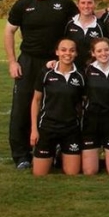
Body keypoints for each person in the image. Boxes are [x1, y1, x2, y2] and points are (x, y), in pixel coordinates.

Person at [4, 0, 78, 169]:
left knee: (55, 106)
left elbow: (86, 16)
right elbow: (9, 32)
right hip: (28, 61)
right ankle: (21, 155)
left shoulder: (63, 4)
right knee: (22, 106)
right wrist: (12, 61)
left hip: (55, 62)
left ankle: (51, 151)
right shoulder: (23, 5)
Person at [29, 37, 85, 177]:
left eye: (72, 50)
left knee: (72, 173)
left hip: (70, 128)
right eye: (63, 50)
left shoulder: (80, 76)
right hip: (48, 127)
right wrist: (34, 130)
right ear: (57, 52)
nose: (68, 53)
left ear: (76, 53)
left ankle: (60, 154)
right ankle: (52, 153)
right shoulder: (46, 73)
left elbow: (84, 102)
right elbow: (36, 101)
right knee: (39, 174)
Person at [82, 37, 109, 176]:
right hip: (91, 119)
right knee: (90, 171)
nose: (103, 53)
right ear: (93, 53)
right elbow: (82, 93)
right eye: (99, 51)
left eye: (106, 50)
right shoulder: (87, 70)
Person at [63, 0, 104, 68]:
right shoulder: (69, 24)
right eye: (83, 3)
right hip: (73, 69)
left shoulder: (100, 26)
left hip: (94, 70)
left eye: (89, 3)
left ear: (94, 4)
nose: (86, 6)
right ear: (77, 4)